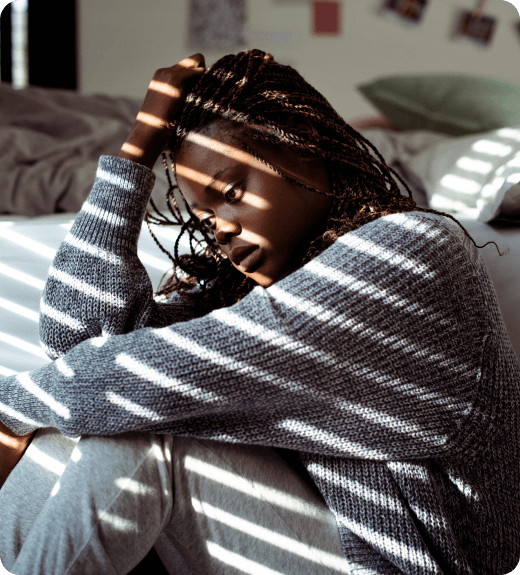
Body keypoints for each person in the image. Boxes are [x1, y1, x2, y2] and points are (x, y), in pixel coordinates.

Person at [0, 49, 519, 575]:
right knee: (63, 439)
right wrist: (134, 155)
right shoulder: (251, 295)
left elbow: (141, 376)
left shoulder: (412, 254)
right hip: (323, 545)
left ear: (306, 147)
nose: (220, 228)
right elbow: (80, 343)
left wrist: (8, 405)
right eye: (205, 216)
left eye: (231, 192)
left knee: (142, 427)